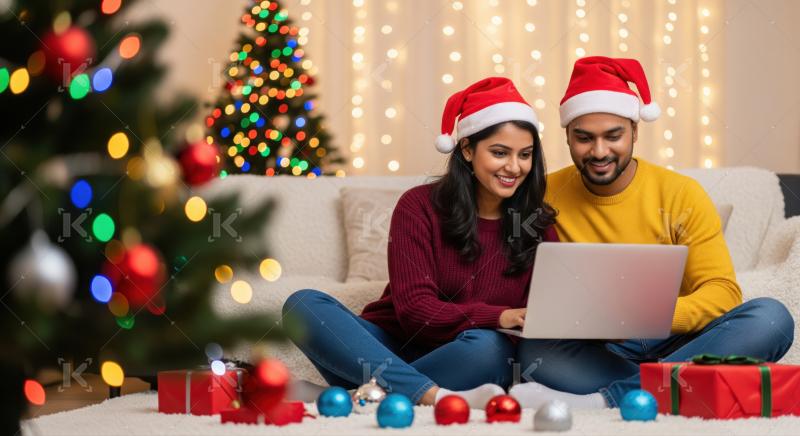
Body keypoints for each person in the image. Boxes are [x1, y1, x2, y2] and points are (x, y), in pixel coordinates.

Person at [507, 56, 794, 410]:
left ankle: (608, 398)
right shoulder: (541, 194)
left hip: (677, 339)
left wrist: (645, 316)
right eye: (584, 138)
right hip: (597, 348)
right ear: (567, 136)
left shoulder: (680, 193)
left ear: (635, 131)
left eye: (613, 136)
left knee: (770, 318)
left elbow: (722, 293)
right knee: (537, 351)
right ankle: (679, 382)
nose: (599, 152)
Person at [283, 77, 558, 408]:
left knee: (492, 349)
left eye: (525, 155)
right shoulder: (419, 206)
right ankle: (431, 396)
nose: (514, 167)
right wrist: (500, 316)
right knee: (302, 305)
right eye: (500, 153)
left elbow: (539, 319)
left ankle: (361, 395)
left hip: (468, 353)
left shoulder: (537, 223)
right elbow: (415, 311)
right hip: (389, 346)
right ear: (467, 150)